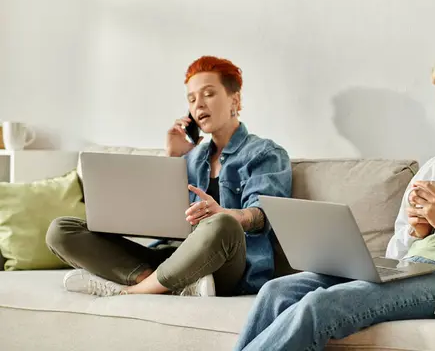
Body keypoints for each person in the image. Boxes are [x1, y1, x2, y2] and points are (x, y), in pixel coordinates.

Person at [234, 49, 435, 351]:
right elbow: (397, 249)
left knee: (319, 306)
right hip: (409, 267)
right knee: (277, 290)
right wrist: (417, 231)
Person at [46, 56, 292, 297]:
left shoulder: (265, 153)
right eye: (192, 98)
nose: (199, 105)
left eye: (208, 94)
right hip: (174, 256)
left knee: (222, 224)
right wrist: (173, 158)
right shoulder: (191, 158)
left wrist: (230, 215)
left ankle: (132, 291)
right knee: (61, 230)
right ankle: (167, 284)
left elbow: (264, 214)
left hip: (227, 268)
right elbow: (162, 219)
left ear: (234, 101)